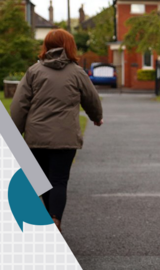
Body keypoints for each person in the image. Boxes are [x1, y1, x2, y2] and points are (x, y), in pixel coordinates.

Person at [10, 29, 103, 232]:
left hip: (37, 137)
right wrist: (96, 117)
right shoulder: (77, 72)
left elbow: (19, 105)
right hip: (65, 137)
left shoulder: (34, 71)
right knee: (59, 180)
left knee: (42, 181)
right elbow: (92, 98)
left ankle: (48, 220)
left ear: (46, 46)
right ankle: (55, 219)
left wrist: (13, 134)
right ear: (70, 46)